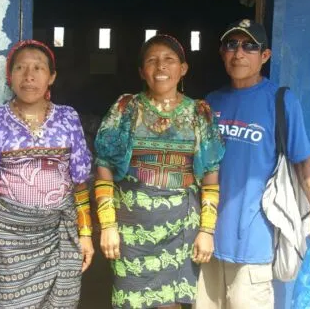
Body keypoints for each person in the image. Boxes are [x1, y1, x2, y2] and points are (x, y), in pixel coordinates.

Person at [193, 19, 310, 309]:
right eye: (231, 45)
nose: (239, 53)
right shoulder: (210, 102)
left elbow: (302, 160)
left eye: (249, 46)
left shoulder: (281, 101)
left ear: (265, 56)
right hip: (206, 241)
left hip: (254, 245)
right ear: (222, 53)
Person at [93, 34, 225, 309]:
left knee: (170, 304)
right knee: (129, 301)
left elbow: (211, 173)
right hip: (131, 229)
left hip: (181, 227)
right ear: (142, 71)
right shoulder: (126, 108)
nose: (161, 67)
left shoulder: (200, 113)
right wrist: (107, 225)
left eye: (169, 60)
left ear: (183, 69)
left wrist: (207, 230)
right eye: (152, 61)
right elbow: (103, 165)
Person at [0, 39, 94, 309]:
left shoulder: (68, 118)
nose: (29, 76)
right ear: (10, 77)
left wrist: (86, 233)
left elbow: (79, 182)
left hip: (61, 236)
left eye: (38, 68)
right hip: (12, 239)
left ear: (52, 77)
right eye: (20, 68)